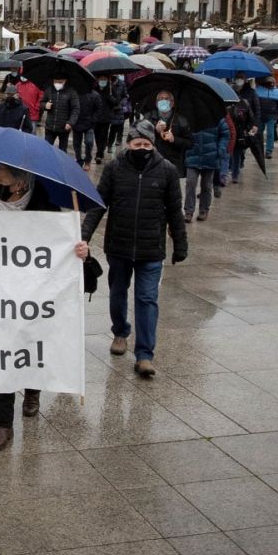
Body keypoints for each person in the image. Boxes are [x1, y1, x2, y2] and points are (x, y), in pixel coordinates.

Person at [0, 163, 91, 450]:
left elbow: (66, 257)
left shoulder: (48, 211)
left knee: (31, 350)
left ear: (18, 182)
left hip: (37, 296)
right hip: (3, 297)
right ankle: (2, 425)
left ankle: (32, 391)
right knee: (4, 357)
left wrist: (81, 252)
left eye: (1, 172)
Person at [82, 122, 187, 378]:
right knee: (118, 293)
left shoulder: (167, 171)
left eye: (147, 144)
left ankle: (145, 355)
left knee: (147, 299)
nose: (142, 148)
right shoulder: (114, 168)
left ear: (153, 144)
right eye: (137, 143)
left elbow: (175, 211)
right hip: (119, 245)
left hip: (151, 249)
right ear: (128, 144)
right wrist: (84, 236)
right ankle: (120, 331)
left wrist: (181, 244)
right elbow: (98, 205)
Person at [183, 117, 230, 223]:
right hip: (192, 156)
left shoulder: (218, 118)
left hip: (210, 157)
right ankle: (188, 211)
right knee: (190, 183)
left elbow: (225, 135)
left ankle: (204, 210)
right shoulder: (188, 117)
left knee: (206, 185)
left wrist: (221, 149)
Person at [142, 90, 192, 178]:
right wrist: (154, 130)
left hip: (173, 165)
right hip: (152, 163)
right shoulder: (148, 117)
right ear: (156, 103)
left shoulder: (181, 120)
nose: (163, 101)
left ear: (172, 103)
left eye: (167, 99)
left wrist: (174, 140)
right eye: (160, 99)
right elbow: (139, 137)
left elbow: (190, 143)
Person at [226, 94, 258, 186]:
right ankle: (227, 173)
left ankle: (234, 175)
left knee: (237, 154)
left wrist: (249, 128)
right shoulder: (225, 104)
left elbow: (251, 118)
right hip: (228, 134)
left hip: (240, 134)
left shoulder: (244, 104)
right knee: (229, 155)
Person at [42, 77, 80, 152]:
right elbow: (41, 102)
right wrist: (45, 105)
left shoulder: (71, 92)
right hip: (50, 126)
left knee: (62, 151)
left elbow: (75, 109)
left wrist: (70, 122)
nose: (57, 84)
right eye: (55, 81)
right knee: (46, 149)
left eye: (60, 82)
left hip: (64, 127)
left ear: (65, 81)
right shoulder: (49, 90)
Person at [71, 84, 103, 166]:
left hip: (89, 124)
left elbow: (99, 109)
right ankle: (79, 159)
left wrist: (93, 119)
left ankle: (87, 160)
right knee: (76, 143)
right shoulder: (75, 94)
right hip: (77, 122)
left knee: (89, 142)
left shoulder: (95, 95)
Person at [90, 76, 117, 164]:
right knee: (97, 135)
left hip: (106, 117)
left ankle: (99, 154)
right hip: (96, 117)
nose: (102, 81)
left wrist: (110, 97)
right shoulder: (94, 89)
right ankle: (100, 149)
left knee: (103, 135)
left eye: (104, 79)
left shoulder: (110, 89)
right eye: (101, 79)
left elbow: (115, 102)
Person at [255, 77, 278, 158]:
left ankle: (269, 151)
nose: (271, 84)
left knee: (270, 133)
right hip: (260, 115)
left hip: (272, 115)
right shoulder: (258, 90)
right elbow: (255, 105)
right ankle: (259, 150)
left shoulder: (276, 92)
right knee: (259, 133)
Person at [105, 74, 130, 149]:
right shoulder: (107, 83)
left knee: (114, 128)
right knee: (104, 128)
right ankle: (104, 142)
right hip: (107, 109)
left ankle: (110, 144)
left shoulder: (121, 84)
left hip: (118, 109)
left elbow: (125, 96)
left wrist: (120, 104)